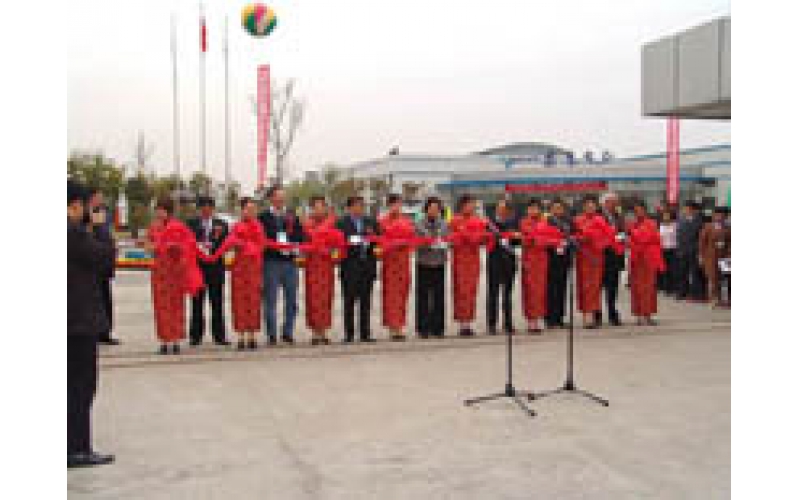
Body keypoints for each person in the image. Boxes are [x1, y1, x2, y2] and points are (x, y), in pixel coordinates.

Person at [68, 180, 116, 468]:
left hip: (72, 319)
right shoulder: (73, 233)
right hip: (77, 322)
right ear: (76, 205)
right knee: (81, 386)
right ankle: (77, 448)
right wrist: (100, 229)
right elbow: (105, 258)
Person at [144, 198, 204, 355]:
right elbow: (147, 246)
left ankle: (176, 340)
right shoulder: (153, 227)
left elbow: (190, 244)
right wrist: (156, 247)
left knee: (176, 305)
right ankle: (164, 341)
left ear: (169, 211)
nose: (159, 213)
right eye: (157, 210)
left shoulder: (179, 227)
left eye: (162, 210)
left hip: (175, 272)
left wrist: (177, 247)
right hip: (159, 272)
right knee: (161, 307)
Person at [259, 186, 307, 345]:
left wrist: (294, 245)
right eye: (278, 196)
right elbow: (261, 238)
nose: (281, 199)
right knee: (270, 300)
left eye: (283, 196)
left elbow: (300, 235)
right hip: (271, 262)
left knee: (292, 300)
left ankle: (288, 331)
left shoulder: (291, 215)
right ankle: (272, 334)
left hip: (290, 263)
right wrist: (277, 245)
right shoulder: (263, 217)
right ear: (271, 198)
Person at [217, 197, 265, 350]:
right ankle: (241, 336)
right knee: (239, 301)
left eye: (253, 209)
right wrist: (235, 244)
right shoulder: (236, 226)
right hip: (239, 269)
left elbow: (262, 245)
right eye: (248, 209)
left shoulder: (259, 226)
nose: (251, 212)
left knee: (253, 301)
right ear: (242, 210)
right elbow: (228, 245)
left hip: (254, 269)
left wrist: (251, 247)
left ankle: (252, 336)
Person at [187, 196, 230, 346]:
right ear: (199, 209)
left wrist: (213, 245)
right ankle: (195, 335)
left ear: (213, 209)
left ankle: (219, 336)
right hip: (198, 268)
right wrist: (200, 245)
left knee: (217, 303)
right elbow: (188, 242)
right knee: (197, 303)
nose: (206, 210)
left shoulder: (222, 224)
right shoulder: (191, 224)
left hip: (215, 267)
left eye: (209, 207)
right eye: (203, 207)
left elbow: (226, 243)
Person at [336, 196, 379, 343]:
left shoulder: (371, 221)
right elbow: (339, 241)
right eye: (356, 206)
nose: (359, 208)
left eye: (361, 206)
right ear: (349, 208)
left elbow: (378, 239)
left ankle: (365, 333)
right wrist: (355, 240)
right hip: (350, 266)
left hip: (367, 265)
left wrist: (373, 241)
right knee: (349, 301)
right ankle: (349, 334)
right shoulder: (341, 223)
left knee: (366, 302)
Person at [519, 198, 565, 334]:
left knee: (541, 291)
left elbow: (553, 236)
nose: (534, 211)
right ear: (527, 210)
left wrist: (553, 240)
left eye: (536, 208)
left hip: (542, 261)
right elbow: (533, 238)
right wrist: (548, 239)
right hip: (530, 261)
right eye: (531, 208)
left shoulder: (544, 222)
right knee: (530, 291)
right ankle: (531, 321)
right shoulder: (524, 222)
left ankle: (537, 320)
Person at [302, 196, 341, 345]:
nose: (319, 210)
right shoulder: (307, 225)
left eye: (322, 207)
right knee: (313, 298)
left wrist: (334, 251)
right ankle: (315, 332)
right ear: (312, 209)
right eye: (316, 207)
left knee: (326, 298)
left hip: (326, 265)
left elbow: (337, 244)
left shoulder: (331, 224)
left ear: (325, 208)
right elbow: (302, 243)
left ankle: (324, 331)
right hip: (312, 265)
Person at [574, 196, 617, 329]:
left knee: (595, 286)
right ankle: (586, 315)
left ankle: (593, 314)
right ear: (583, 207)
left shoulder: (600, 219)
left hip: (597, 256)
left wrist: (597, 238)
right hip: (584, 257)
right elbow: (575, 236)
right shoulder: (578, 219)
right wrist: (585, 237)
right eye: (588, 206)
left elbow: (609, 235)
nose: (590, 208)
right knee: (585, 285)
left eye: (592, 206)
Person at [449, 193, 489, 337]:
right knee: (461, 291)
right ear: (462, 205)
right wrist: (468, 236)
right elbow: (451, 239)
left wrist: (474, 236)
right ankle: (462, 323)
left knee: (472, 291)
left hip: (473, 260)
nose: (472, 207)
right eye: (469, 204)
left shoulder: (478, 220)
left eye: (473, 204)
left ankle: (468, 322)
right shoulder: (455, 220)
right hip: (460, 260)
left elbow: (482, 238)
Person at [378, 194, 416, 341]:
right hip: (390, 263)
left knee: (402, 294)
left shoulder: (406, 221)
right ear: (389, 206)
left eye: (399, 204)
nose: (397, 207)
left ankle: (399, 326)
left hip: (403, 262)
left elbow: (413, 240)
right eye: (394, 204)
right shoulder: (382, 222)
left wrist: (406, 243)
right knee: (390, 295)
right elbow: (378, 242)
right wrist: (388, 244)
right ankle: (392, 328)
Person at [87, 188, 120, 345]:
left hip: (105, 264)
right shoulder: (85, 215)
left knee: (106, 299)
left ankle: (105, 331)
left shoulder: (105, 213)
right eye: (97, 197)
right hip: (92, 265)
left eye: (101, 197)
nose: (100, 200)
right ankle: (94, 332)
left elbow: (109, 233)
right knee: (94, 300)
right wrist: (91, 222)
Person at [414, 196, 449, 339]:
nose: (434, 211)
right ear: (426, 209)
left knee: (439, 296)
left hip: (439, 263)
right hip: (424, 262)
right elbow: (416, 240)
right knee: (423, 297)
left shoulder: (444, 223)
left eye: (437, 208)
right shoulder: (419, 224)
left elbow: (447, 239)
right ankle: (423, 328)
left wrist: (442, 242)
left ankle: (438, 328)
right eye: (432, 208)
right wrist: (427, 241)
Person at [627, 202, 665, 325]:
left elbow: (645, 238)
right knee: (636, 287)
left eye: (640, 210)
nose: (638, 213)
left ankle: (647, 314)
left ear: (645, 211)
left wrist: (633, 233)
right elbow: (629, 241)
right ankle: (639, 315)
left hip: (648, 259)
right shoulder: (632, 224)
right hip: (636, 259)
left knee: (648, 288)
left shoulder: (651, 223)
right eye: (636, 211)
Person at [486, 199, 519, 335]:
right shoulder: (489, 223)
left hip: (509, 261)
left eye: (504, 209)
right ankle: (492, 324)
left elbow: (518, 242)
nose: (501, 211)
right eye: (499, 208)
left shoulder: (513, 223)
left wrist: (514, 237)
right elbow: (485, 240)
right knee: (493, 293)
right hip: (494, 260)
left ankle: (508, 323)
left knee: (508, 294)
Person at [595, 192, 626, 326]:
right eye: (612, 202)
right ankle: (597, 313)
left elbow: (622, 231)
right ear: (604, 203)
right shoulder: (597, 216)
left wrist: (622, 237)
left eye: (615, 202)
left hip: (615, 256)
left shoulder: (618, 216)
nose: (615, 204)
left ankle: (612, 313)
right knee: (598, 287)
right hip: (602, 255)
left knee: (612, 287)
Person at [545, 199, 573, 328]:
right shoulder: (547, 222)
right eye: (555, 208)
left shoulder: (567, 221)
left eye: (560, 208)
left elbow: (573, 235)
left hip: (564, 258)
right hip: (551, 258)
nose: (558, 210)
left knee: (562, 288)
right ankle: (550, 318)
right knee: (551, 289)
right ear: (551, 210)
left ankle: (560, 317)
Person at [699, 206, 732, 308]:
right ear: (714, 215)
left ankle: (728, 299)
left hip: (725, 257)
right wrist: (701, 256)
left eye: (723, 215)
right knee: (713, 278)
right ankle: (714, 298)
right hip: (711, 257)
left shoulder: (728, 227)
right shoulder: (708, 226)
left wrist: (730, 254)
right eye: (717, 214)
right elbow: (702, 242)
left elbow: (730, 242)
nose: (720, 217)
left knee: (726, 278)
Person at [676, 201, 705, 302]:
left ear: (692, 209)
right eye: (684, 209)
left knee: (695, 273)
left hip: (694, 250)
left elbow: (700, 237)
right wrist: (679, 248)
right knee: (682, 272)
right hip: (683, 250)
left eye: (686, 208)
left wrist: (699, 250)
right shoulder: (681, 220)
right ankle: (682, 292)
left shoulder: (699, 221)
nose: (685, 210)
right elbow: (679, 235)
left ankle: (696, 294)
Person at [657, 208, 679, 295]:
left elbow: (678, 237)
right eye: (664, 216)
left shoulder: (675, 225)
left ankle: (674, 287)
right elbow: (659, 238)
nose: (666, 217)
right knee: (665, 270)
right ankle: (666, 288)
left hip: (673, 249)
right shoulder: (661, 226)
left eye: (667, 215)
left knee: (673, 269)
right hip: (663, 250)